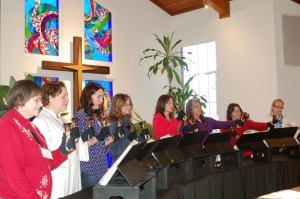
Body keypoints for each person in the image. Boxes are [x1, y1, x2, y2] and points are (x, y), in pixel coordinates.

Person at [0, 80, 68, 199]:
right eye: (36, 100)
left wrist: (63, 150)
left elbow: (44, 162)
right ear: (20, 100)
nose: (41, 104)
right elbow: (14, 174)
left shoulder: (31, 126)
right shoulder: (8, 126)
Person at [33, 81, 81, 198]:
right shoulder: (40, 120)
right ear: (50, 98)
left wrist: (80, 138)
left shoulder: (64, 120)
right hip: (58, 173)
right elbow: (41, 152)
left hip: (72, 171)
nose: (67, 100)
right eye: (63, 96)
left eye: (67, 96)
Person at [73, 82, 113, 189]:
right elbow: (82, 145)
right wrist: (100, 136)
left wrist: (113, 138)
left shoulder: (98, 116)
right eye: (98, 97)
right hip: (89, 169)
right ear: (88, 97)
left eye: (102, 97)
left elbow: (100, 143)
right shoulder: (80, 116)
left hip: (101, 166)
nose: (101, 101)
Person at [107, 93, 144, 162]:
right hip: (120, 164)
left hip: (131, 160)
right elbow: (114, 150)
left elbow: (135, 140)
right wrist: (129, 140)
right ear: (117, 106)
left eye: (129, 104)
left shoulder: (128, 122)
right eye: (125, 105)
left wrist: (143, 138)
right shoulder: (114, 124)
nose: (129, 107)